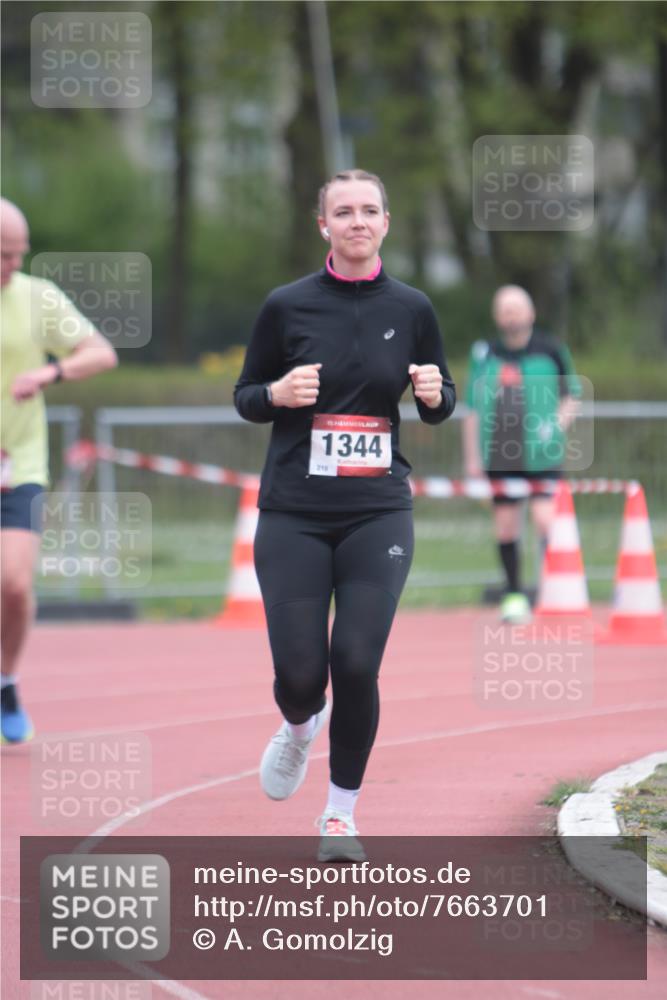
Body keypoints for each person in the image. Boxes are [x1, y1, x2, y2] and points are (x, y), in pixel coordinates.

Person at [234, 169, 456, 860]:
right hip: (294, 511)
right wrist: (277, 391)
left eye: (368, 210)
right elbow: (244, 395)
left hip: (376, 511)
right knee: (302, 676)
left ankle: (339, 815)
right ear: (322, 225)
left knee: (356, 661)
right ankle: (300, 727)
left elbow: (442, 400)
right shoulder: (285, 306)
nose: (357, 221)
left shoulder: (414, 307)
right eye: (343, 211)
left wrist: (432, 391)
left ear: (385, 223)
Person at [1, 197, 118, 743]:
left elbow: (101, 353)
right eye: (1, 256)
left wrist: (50, 373)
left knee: (15, 585)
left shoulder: (35, 297)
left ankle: (6, 680)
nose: (10, 267)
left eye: (16, 255)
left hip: (16, 465)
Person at [462, 285, 580, 624]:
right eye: (504, 308)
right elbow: (471, 408)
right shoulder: (485, 355)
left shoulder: (552, 350)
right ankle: (514, 594)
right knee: (506, 527)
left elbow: (571, 395)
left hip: (542, 456)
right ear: (497, 316)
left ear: (530, 313)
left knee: (546, 519)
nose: (511, 314)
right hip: (500, 455)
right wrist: (472, 458)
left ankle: (551, 590)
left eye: (517, 308)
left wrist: (556, 426)